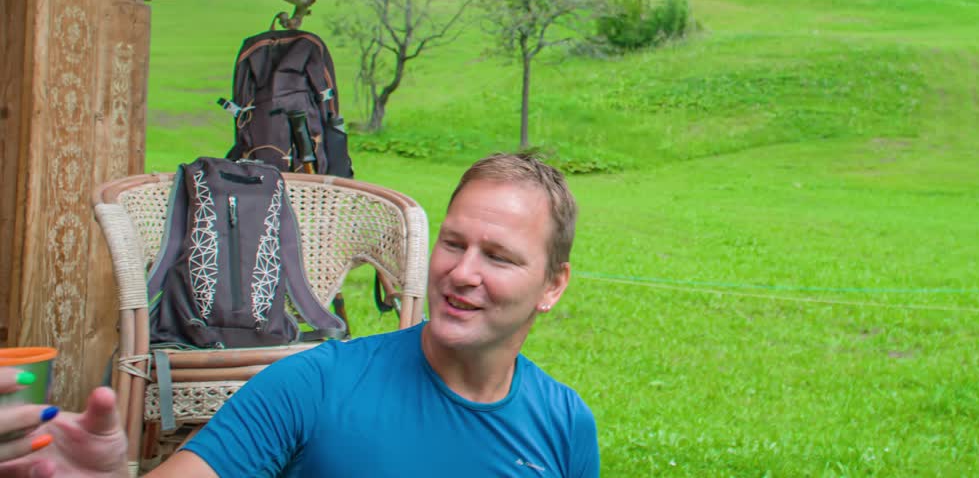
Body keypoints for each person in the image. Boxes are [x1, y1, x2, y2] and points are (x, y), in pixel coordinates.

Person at [0, 152, 598, 478]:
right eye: (453, 243)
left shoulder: (565, 424)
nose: (462, 272)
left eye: (497, 256)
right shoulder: (314, 384)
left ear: (552, 285)